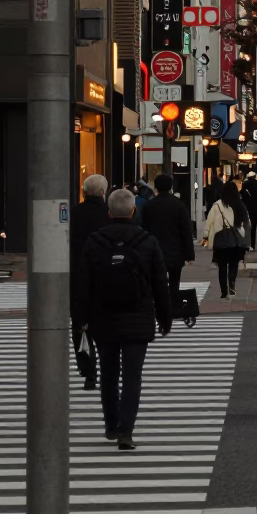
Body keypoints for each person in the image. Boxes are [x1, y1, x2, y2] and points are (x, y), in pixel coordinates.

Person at [75, 188, 171, 450]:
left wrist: (81, 317)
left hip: (103, 317)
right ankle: (126, 431)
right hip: (138, 317)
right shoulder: (147, 241)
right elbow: (160, 283)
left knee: (108, 373)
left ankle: (111, 424)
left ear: (109, 213)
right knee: (132, 376)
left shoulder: (95, 241)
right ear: (133, 211)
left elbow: (84, 283)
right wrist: (165, 317)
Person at [70, 174, 111, 390]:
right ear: (103, 192)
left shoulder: (73, 214)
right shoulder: (110, 214)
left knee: (80, 326)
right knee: (105, 325)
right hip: (107, 277)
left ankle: (88, 372)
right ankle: (107, 367)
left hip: (78, 277)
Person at [141, 174, 194, 299]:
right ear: (171, 186)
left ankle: (159, 305)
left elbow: (144, 228)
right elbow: (185, 230)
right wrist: (189, 254)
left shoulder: (149, 206)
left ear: (156, 187)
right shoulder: (179, 205)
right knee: (174, 282)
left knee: (157, 282)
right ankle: (173, 305)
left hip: (154, 250)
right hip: (175, 250)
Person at [203, 179, 250, 299]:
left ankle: (223, 292)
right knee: (234, 264)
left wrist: (206, 235)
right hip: (235, 239)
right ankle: (232, 283)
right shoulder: (240, 205)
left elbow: (209, 222)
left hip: (221, 239)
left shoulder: (217, 205)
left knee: (222, 266)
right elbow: (246, 222)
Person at [241, 171, 257, 250]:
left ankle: (245, 244)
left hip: (246, 208)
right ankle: (252, 245)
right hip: (255, 208)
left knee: (245, 226)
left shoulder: (244, 185)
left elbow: (242, 197)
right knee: (254, 227)